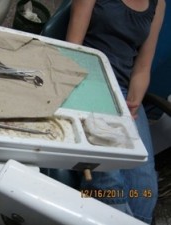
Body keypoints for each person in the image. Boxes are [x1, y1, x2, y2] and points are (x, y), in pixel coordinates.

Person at [63, 0, 166, 224]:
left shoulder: (159, 4)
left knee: (145, 191)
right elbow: (73, 50)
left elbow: (142, 67)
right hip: (87, 79)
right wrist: (91, 98)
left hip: (122, 93)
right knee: (108, 181)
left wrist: (134, 101)